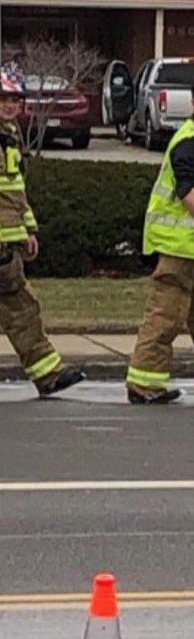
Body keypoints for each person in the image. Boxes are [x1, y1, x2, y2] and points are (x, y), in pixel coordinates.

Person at [0, 66, 85, 397]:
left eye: (16, 99)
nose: (11, 105)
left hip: (1, 237)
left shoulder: (7, 133)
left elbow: (13, 189)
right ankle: (48, 373)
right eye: (3, 99)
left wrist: (28, 228)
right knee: (20, 306)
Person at [126, 88, 194, 404]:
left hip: (187, 246)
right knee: (166, 315)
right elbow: (189, 195)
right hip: (179, 248)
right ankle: (144, 382)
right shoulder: (188, 141)